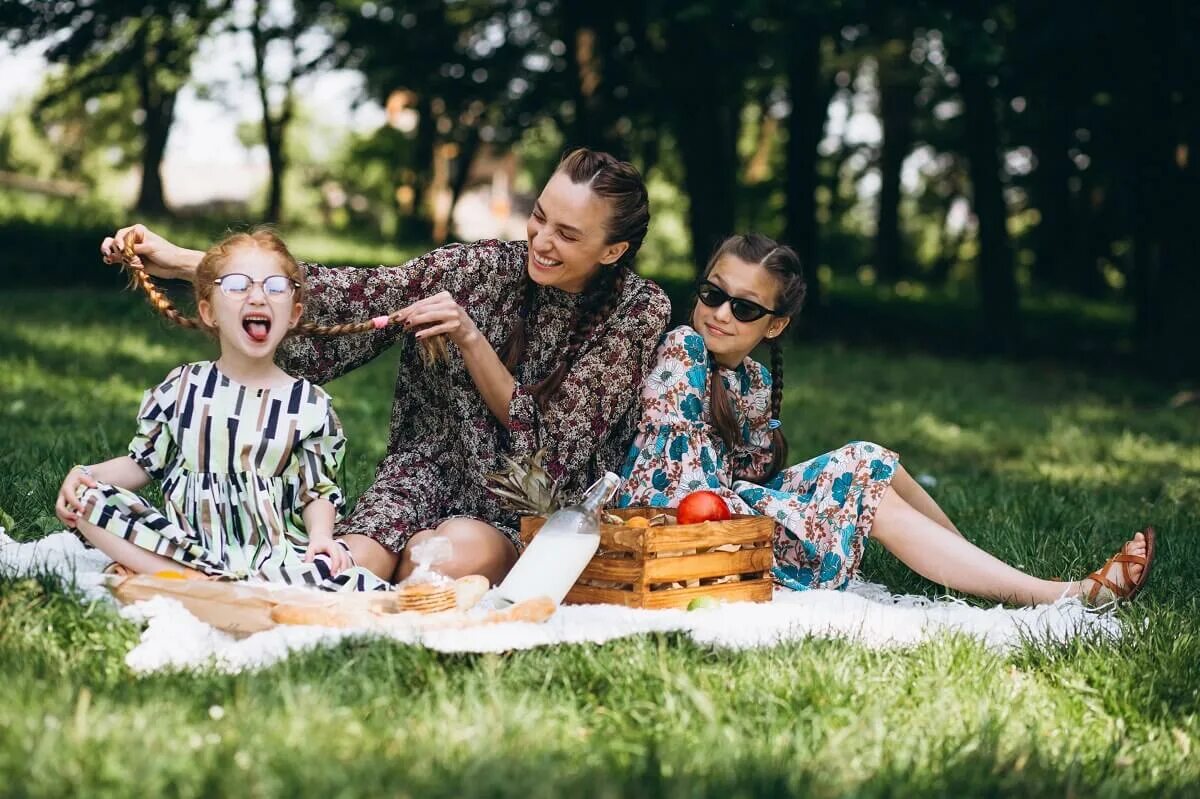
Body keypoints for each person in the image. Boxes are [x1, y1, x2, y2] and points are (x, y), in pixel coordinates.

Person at [100, 148, 672, 585]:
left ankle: (425, 560)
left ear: (612, 250)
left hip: (532, 501)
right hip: (426, 470)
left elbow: (556, 446)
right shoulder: (479, 268)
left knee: (437, 564)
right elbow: (357, 293)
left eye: (567, 234)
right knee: (346, 565)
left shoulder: (640, 311)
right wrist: (185, 263)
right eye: (540, 217)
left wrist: (471, 340)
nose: (541, 241)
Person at [618, 233, 1155, 606]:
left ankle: (975, 569)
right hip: (685, 528)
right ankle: (1056, 595)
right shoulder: (684, 347)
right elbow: (677, 481)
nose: (719, 313)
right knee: (863, 488)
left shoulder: (752, 380)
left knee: (868, 457)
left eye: (745, 308)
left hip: (721, 511)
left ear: (775, 326)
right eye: (713, 294)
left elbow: (754, 473)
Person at [57, 229, 389, 590]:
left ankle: (195, 584)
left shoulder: (308, 405)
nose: (258, 297)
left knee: (333, 572)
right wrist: (86, 474)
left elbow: (316, 490)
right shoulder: (184, 387)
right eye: (238, 285)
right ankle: (195, 580)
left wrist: (321, 537)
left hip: (272, 558)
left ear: (293, 315)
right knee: (88, 501)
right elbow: (142, 464)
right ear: (209, 312)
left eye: (274, 287)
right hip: (189, 549)